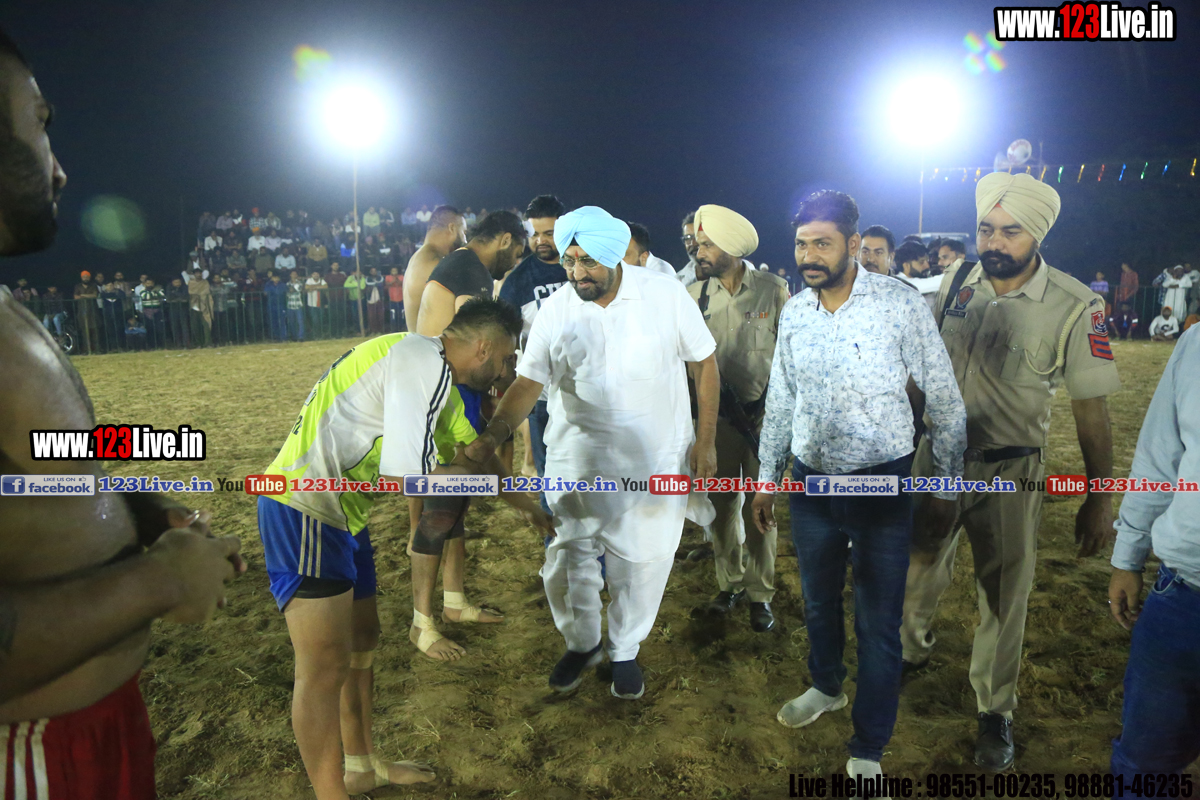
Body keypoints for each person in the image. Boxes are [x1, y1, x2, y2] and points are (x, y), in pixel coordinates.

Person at [0, 29, 244, 799]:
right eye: (39, 124)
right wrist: (157, 584)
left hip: (93, 731)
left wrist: (134, 509)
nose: (60, 167)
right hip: (32, 755)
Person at [257, 299, 544, 799]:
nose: (505, 371)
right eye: (504, 358)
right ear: (483, 347)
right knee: (322, 667)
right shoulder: (420, 360)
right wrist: (473, 485)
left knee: (363, 637)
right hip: (303, 508)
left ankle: (361, 766)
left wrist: (527, 505)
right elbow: (408, 476)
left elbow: (472, 453)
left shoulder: (434, 373)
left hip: (344, 514)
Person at [902, 172, 1120, 771]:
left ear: (1038, 235)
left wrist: (1100, 497)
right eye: (985, 229)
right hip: (936, 460)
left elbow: (1092, 410)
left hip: (1009, 473)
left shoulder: (1078, 306)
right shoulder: (957, 282)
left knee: (1004, 593)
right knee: (916, 564)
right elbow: (924, 371)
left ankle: (994, 710)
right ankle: (908, 653)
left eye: (1010, 231)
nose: (993, 242)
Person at [749, 190, 966, 784]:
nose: (809, 255)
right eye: (801, 244)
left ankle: (869, 745)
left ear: (851, 243)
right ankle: (826, 685)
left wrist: (946, 488)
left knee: (877, 620)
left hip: (881, 486)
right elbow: (782, 400)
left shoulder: (899, 304)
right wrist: (766, 481)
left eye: (822, 243)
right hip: (810, 486)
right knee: (818, 600)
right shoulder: (796, 311)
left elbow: (945, 400)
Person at [465, 206, 720, 700]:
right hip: (576, 459)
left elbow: (705, 365)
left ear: (614, 256)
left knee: (643, 562)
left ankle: (625, 650)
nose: (577, 273)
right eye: (569, 261)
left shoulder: (664, 293)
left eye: (588, 262)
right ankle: (582, 644)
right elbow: (529, 382)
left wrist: (705, 442)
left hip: (654, 459)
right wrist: (493, 435)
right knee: (566, 560)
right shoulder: (556, 309)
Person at [688, 205, 789, 631]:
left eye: (708, 244)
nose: (699, 251)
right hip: (717, 425)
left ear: (732, 248)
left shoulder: (773, 290)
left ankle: (760, 593)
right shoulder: (694, 297)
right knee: (722, 507)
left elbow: (788, 357)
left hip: (764, 422)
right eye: (699, 243)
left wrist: (778, 414)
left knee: (761, 509)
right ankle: (729, 583)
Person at [1107, 325, 1200, 782]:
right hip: (1184, 592)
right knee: (1146, 763)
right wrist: (1128, 555)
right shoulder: (1196, 344)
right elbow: (1160, 458)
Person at [498, 195, 569, 508]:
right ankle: (552, 532)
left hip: (587, 388)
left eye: (549, 233)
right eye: (534, 234)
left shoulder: (583, 267)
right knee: (547, 472)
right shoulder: (517, 282)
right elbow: (505, 337)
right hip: (541, 393)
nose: (540, 241)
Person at [403, 205, 465, 332]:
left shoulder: (418, 258)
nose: (465, 239)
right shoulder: (436, 263)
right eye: (464, 232)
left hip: (420, 342)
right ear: (452, 228)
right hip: (432, 343)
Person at [893, 240, 942, 314]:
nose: (927, 266)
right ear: (906, 266)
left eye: (927, 261)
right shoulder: (900, 283)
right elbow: (941, 281)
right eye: (921, 262)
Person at [676, 211, 700, 287]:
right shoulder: (678, 279)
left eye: (697, 237)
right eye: (687, 238)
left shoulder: (726, 273)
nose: (692, 243)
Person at [306, 268, 328, 337]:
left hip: (320, 303)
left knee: (321, 319)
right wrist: (319, 286)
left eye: (317, 274)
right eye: (314, 274)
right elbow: (306, 287)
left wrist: (313, 287)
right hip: (312, 304)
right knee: (315, 320)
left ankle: (320, 334)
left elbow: (326, 286)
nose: (316, 275)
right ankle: (316, 334)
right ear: (312, 275)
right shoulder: (309, 280)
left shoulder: (322, 280)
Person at [286, 270, 306, 341]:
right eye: (293, 274)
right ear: (290, 275)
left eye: (295, 274)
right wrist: (291, 290)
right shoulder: (287, 283)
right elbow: (288, 291)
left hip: (298, 304)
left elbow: (294, 290)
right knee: (291, 321)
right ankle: (294, 336)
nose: (294, 275)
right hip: (290, 305)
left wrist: (291, 290)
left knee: (300, 321)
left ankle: (301, 337)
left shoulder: (299, 283)